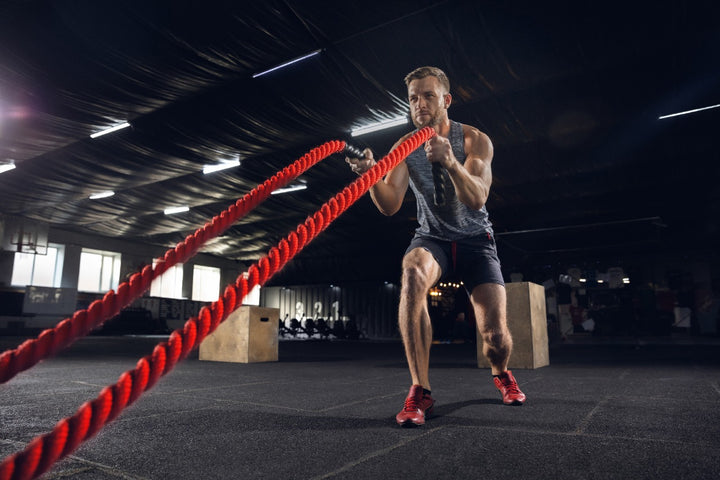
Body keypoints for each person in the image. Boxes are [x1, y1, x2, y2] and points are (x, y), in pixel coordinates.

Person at [346, 66, 526, 427]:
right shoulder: (404, 147)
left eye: (428, 95)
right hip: (433, 239)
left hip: (476, 240)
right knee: (412, 270)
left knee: (495, 338)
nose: (419, 103)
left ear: (446, 100)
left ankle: (501, 373)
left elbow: (477, 198)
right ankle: (420, 390)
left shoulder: (475, 140)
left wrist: (450, 162)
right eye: (413, 97)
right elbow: (390, 204)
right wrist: (369, 176)